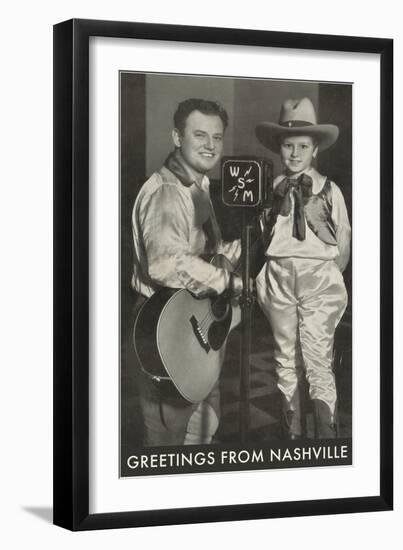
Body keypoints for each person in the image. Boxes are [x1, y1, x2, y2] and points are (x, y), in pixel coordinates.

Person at [131, 98, 242, 446]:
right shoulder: (168, 191)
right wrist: (229, 281)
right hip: (167, 333)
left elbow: (198, 254)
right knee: (166, 444)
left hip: (194, 327)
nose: (210, 145)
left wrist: (234, 251)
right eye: (200, 135)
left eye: (218, 137)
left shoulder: (196, 187)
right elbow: (166, 263)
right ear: (177, 137)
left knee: (201, 429)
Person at [254, 97, 351, 439]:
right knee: (284, 358)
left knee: (317, 360)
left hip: (318, 283)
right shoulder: (271, 190)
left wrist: (319, 275)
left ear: (315, 151)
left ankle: (325, 443)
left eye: (303, 147)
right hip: (278, 280)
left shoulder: (329, 191)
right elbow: (260, 236)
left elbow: (343, 247)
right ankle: (293, 441)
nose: (294, 154)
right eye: (288, 146)